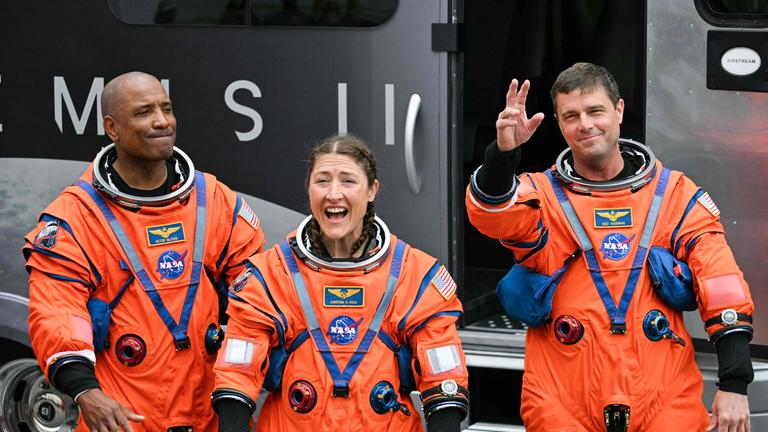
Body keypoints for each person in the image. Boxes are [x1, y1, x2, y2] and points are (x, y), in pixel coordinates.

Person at [465, 63, 754, 431]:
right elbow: (491, 214)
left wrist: (733, 383)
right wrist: (502, 153)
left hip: (663, 396)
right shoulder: (542, 196)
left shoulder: (674, 196)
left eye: (595, 111)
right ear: (558, 122)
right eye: (571, 116)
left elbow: (721, 282)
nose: (584, 124)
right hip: (563, 399)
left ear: (618, 110)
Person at [24, 71, 265, 431]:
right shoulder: (77, 217)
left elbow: (256, 305)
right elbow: (57, 311)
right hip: (124, 417)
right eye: (144, 112)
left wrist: (234, 408)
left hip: (207, 415)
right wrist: (86, 392)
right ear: (112, 128)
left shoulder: (214, 202)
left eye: (166, 109)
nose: (161, 121)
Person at [212, 135, 469, 431]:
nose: (333, 194)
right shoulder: (271, 274)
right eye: (322, 181)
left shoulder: (416, 275)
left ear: (372, 190)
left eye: (348, 181)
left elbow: (443, 381)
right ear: (309, 189)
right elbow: (236, 375)